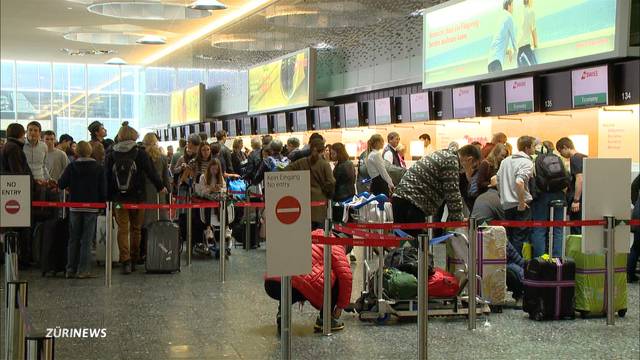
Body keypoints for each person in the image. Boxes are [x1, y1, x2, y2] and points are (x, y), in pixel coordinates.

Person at [105, 122, 167, 274]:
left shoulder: (111, 154)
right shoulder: (140, 153)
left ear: (120, 136)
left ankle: (124, 260)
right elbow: (151, 172)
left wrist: (108, 197)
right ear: (134, 136)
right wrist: (160, 187)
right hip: (139, 197)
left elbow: (106, 177)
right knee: (136, 229)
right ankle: (134, 258)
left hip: (119, 198)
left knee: (122, 229)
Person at [393, 144, 480, 238]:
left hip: (404, 199)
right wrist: (459, 221)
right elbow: (452, 194)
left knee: (405, 243)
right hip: (410, 203)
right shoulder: (451, 161)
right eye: (473, 167)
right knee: (415, 246)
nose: (471, 170)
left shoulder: (445, 154)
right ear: (469, 159)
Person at [264, 241, 352, 333]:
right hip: (295, 285)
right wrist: (340, 307)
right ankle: (326, 320)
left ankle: (282, 314)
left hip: (272, 281)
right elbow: (346, 277)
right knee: (337, 276)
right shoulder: (337, 246)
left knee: (289, 279)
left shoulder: (311, 236)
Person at [58, 141, 106, 279]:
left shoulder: (72, 166)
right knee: (87, 239)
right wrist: (102, 204)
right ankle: (84, 270)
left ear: (76, 152)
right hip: (92, 207)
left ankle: (70, 269)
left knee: (73, 238)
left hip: (74, 207)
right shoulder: (98, 167)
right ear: (90, 152)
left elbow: (61, 183)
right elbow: (102, 189)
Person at [496, 135, 535, 255]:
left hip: (506, 205)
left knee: (509, 238)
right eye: (533, 146)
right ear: (527, 148)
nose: (534, 149)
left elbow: (497, 179)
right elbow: (519, 181)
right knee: (519, 238)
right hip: (520, 206)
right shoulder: (527, 162)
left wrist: (503, 195)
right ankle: (517, 268)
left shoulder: (505, 161)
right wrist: (522, 203)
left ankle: (508, 266)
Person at [286, 138, 335, 229]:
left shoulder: (302, 162)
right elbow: (331, 182)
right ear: (323, 150)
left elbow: (286, 171)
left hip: (303, 199)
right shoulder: (324, 164)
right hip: (319, 200)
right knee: (319, 232)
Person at [530, 142, 569, 257]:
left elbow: (532, 178)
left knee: (539, 228)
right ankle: (558, 258)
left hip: (542, 195)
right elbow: (566, 177)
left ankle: (541, 260)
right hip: (559, 195)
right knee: (559, 228)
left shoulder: (535, 159)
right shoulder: (559, 158)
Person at [195, 159, 229, 258]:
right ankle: (208, 228)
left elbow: (224, 188)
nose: (214, 171)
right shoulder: (203, 177)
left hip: (218, 197)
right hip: (207, 197)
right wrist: (211, 189)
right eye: (213, 169)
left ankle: (226, 227)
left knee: (224, 202)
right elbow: (201, 191)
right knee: (208, 203)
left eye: (216, 169)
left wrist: (219, 189)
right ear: (209, 168)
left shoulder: (220, 177)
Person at [556, 137, 587, 235]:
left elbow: (579, 178)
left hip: (578, 199)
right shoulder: (584, 156)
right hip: (585, 198)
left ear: (565, 147)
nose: (561, 155)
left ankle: (577, 250)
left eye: (561, 151)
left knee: (576, 228)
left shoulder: (575, 158)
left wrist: (576, 200)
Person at [142, 133, 170, 227]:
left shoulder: (142, 157)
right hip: (160, 191)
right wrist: (169, 193)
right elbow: (166, 178)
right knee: (161, 219)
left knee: (145, 220)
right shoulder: (162, 158)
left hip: (144, 191)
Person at [487, 0, 517, 73]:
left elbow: (499, 41)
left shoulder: (500, 18)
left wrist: (507, 51)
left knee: (494, 83)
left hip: (490, 60)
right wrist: (517, 52)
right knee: (499, 83)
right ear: (509, 6)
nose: (513, 9)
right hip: (497, 61)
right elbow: (514, 39)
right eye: (513, 6)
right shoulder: (509, 17)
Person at [517, 0, 538, 67]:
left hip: (519, 53)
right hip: (526, 52)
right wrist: (535, 45)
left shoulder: (520, 14)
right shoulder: (530, 12)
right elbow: (533, 30)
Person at [628, 175, 640, 283]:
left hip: (638, 212)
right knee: (636, 247)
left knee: (636, 246)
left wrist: (636, 202)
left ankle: (629, 274)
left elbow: (634, 186)